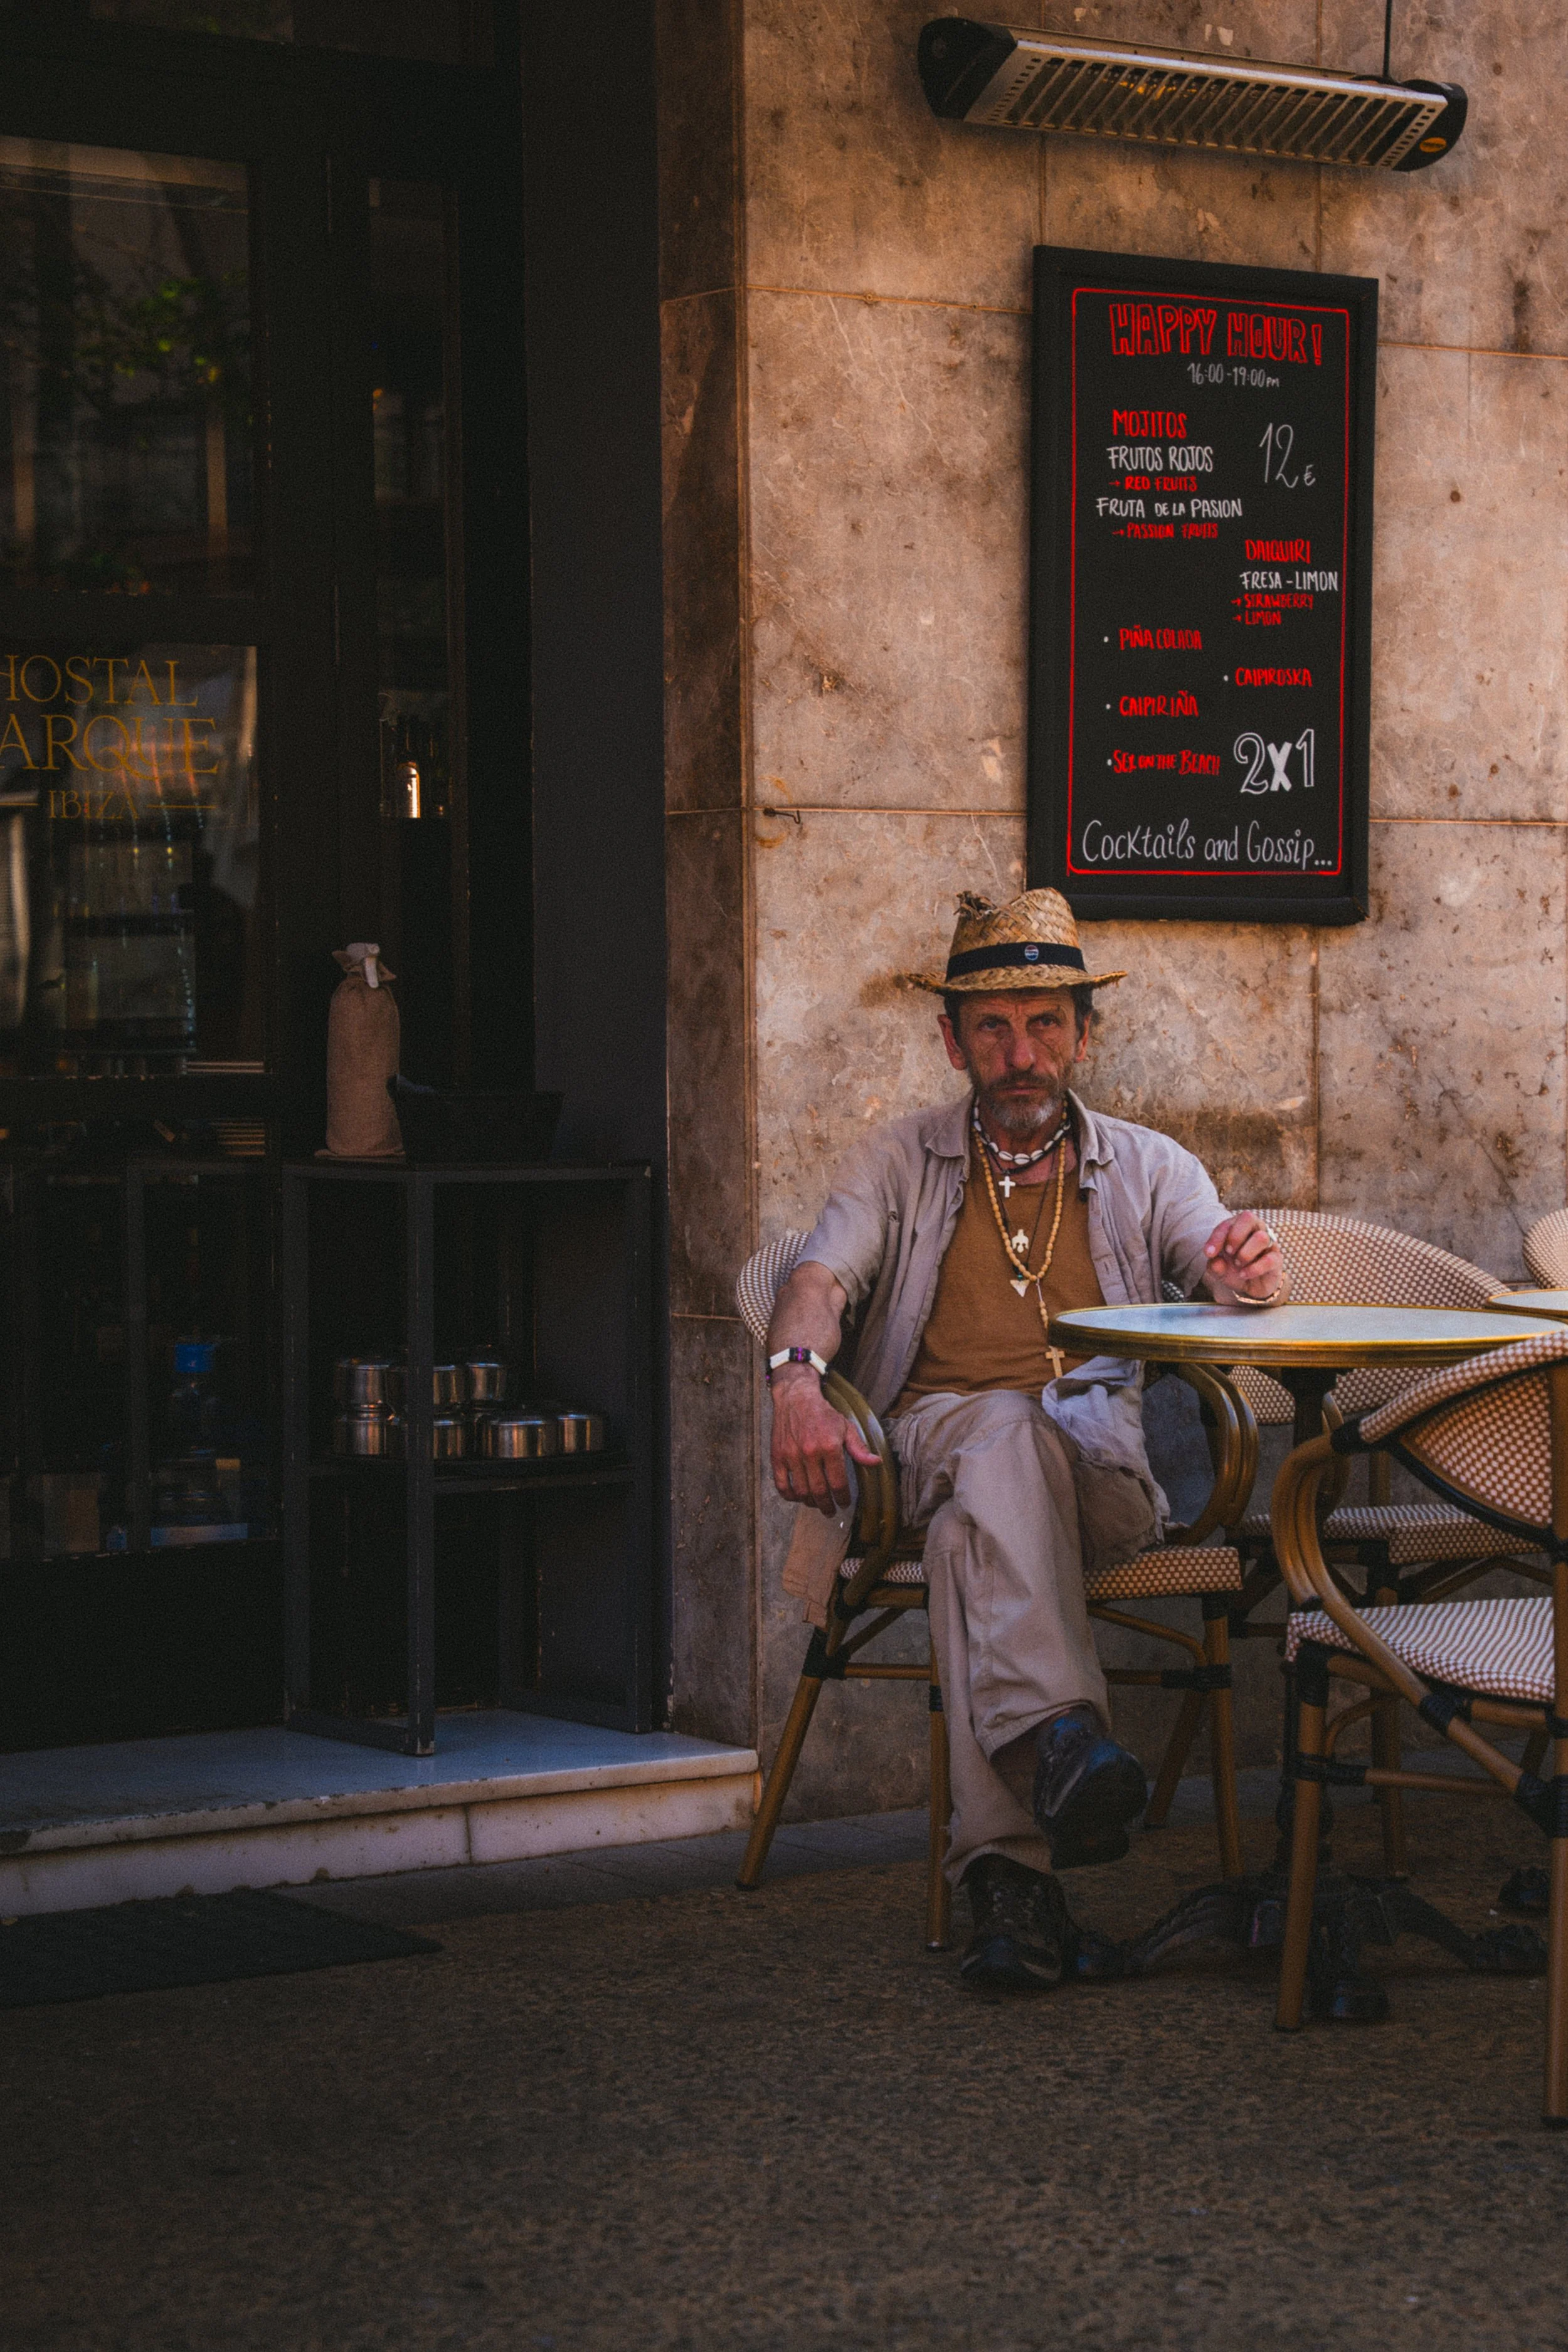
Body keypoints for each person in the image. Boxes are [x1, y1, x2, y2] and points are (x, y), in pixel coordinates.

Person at [764, 886, 1286, 1993]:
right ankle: (1052, 1768)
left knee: (970, 1537)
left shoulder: (1149, 1163)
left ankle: (1014, 1875)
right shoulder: (895, 1160)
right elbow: (818, 1278)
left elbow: (1220, 1262)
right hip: (923, 1458)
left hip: (1103, 1479)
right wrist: (796, 1383)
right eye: (992, 1026)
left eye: (1046, 1022)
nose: (1022, 1052)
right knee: (987, 1442)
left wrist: (1245, 1269)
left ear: (1084, 1035)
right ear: (951, 1040)